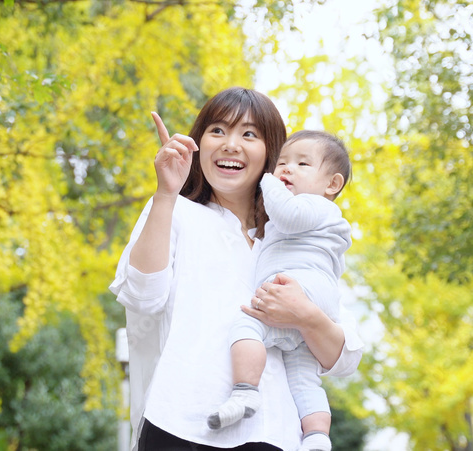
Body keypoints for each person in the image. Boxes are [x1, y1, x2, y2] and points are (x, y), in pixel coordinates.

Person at [110, 88, 363, 450]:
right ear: (199, 144)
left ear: (272, 155)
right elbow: (142, 297)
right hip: (179, 423)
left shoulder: (298, 236)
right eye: (217, 131)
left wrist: (305, 315)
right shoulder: (175, 212)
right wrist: (166, 193)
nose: (230, 144)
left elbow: (343, 357)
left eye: (248, 134)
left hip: (275, 432)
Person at [208, 130, 353, 451]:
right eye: (282, 163)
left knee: (247, 326)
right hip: (312, 297)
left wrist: (268, 182)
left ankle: (245, 390)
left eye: (302, 164)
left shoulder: (316, 207)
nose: (286, 169)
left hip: (302, 288)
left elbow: (287, 216)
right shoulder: (306, 214)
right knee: (303, 376)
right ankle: (317, 436)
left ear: (332, 185)